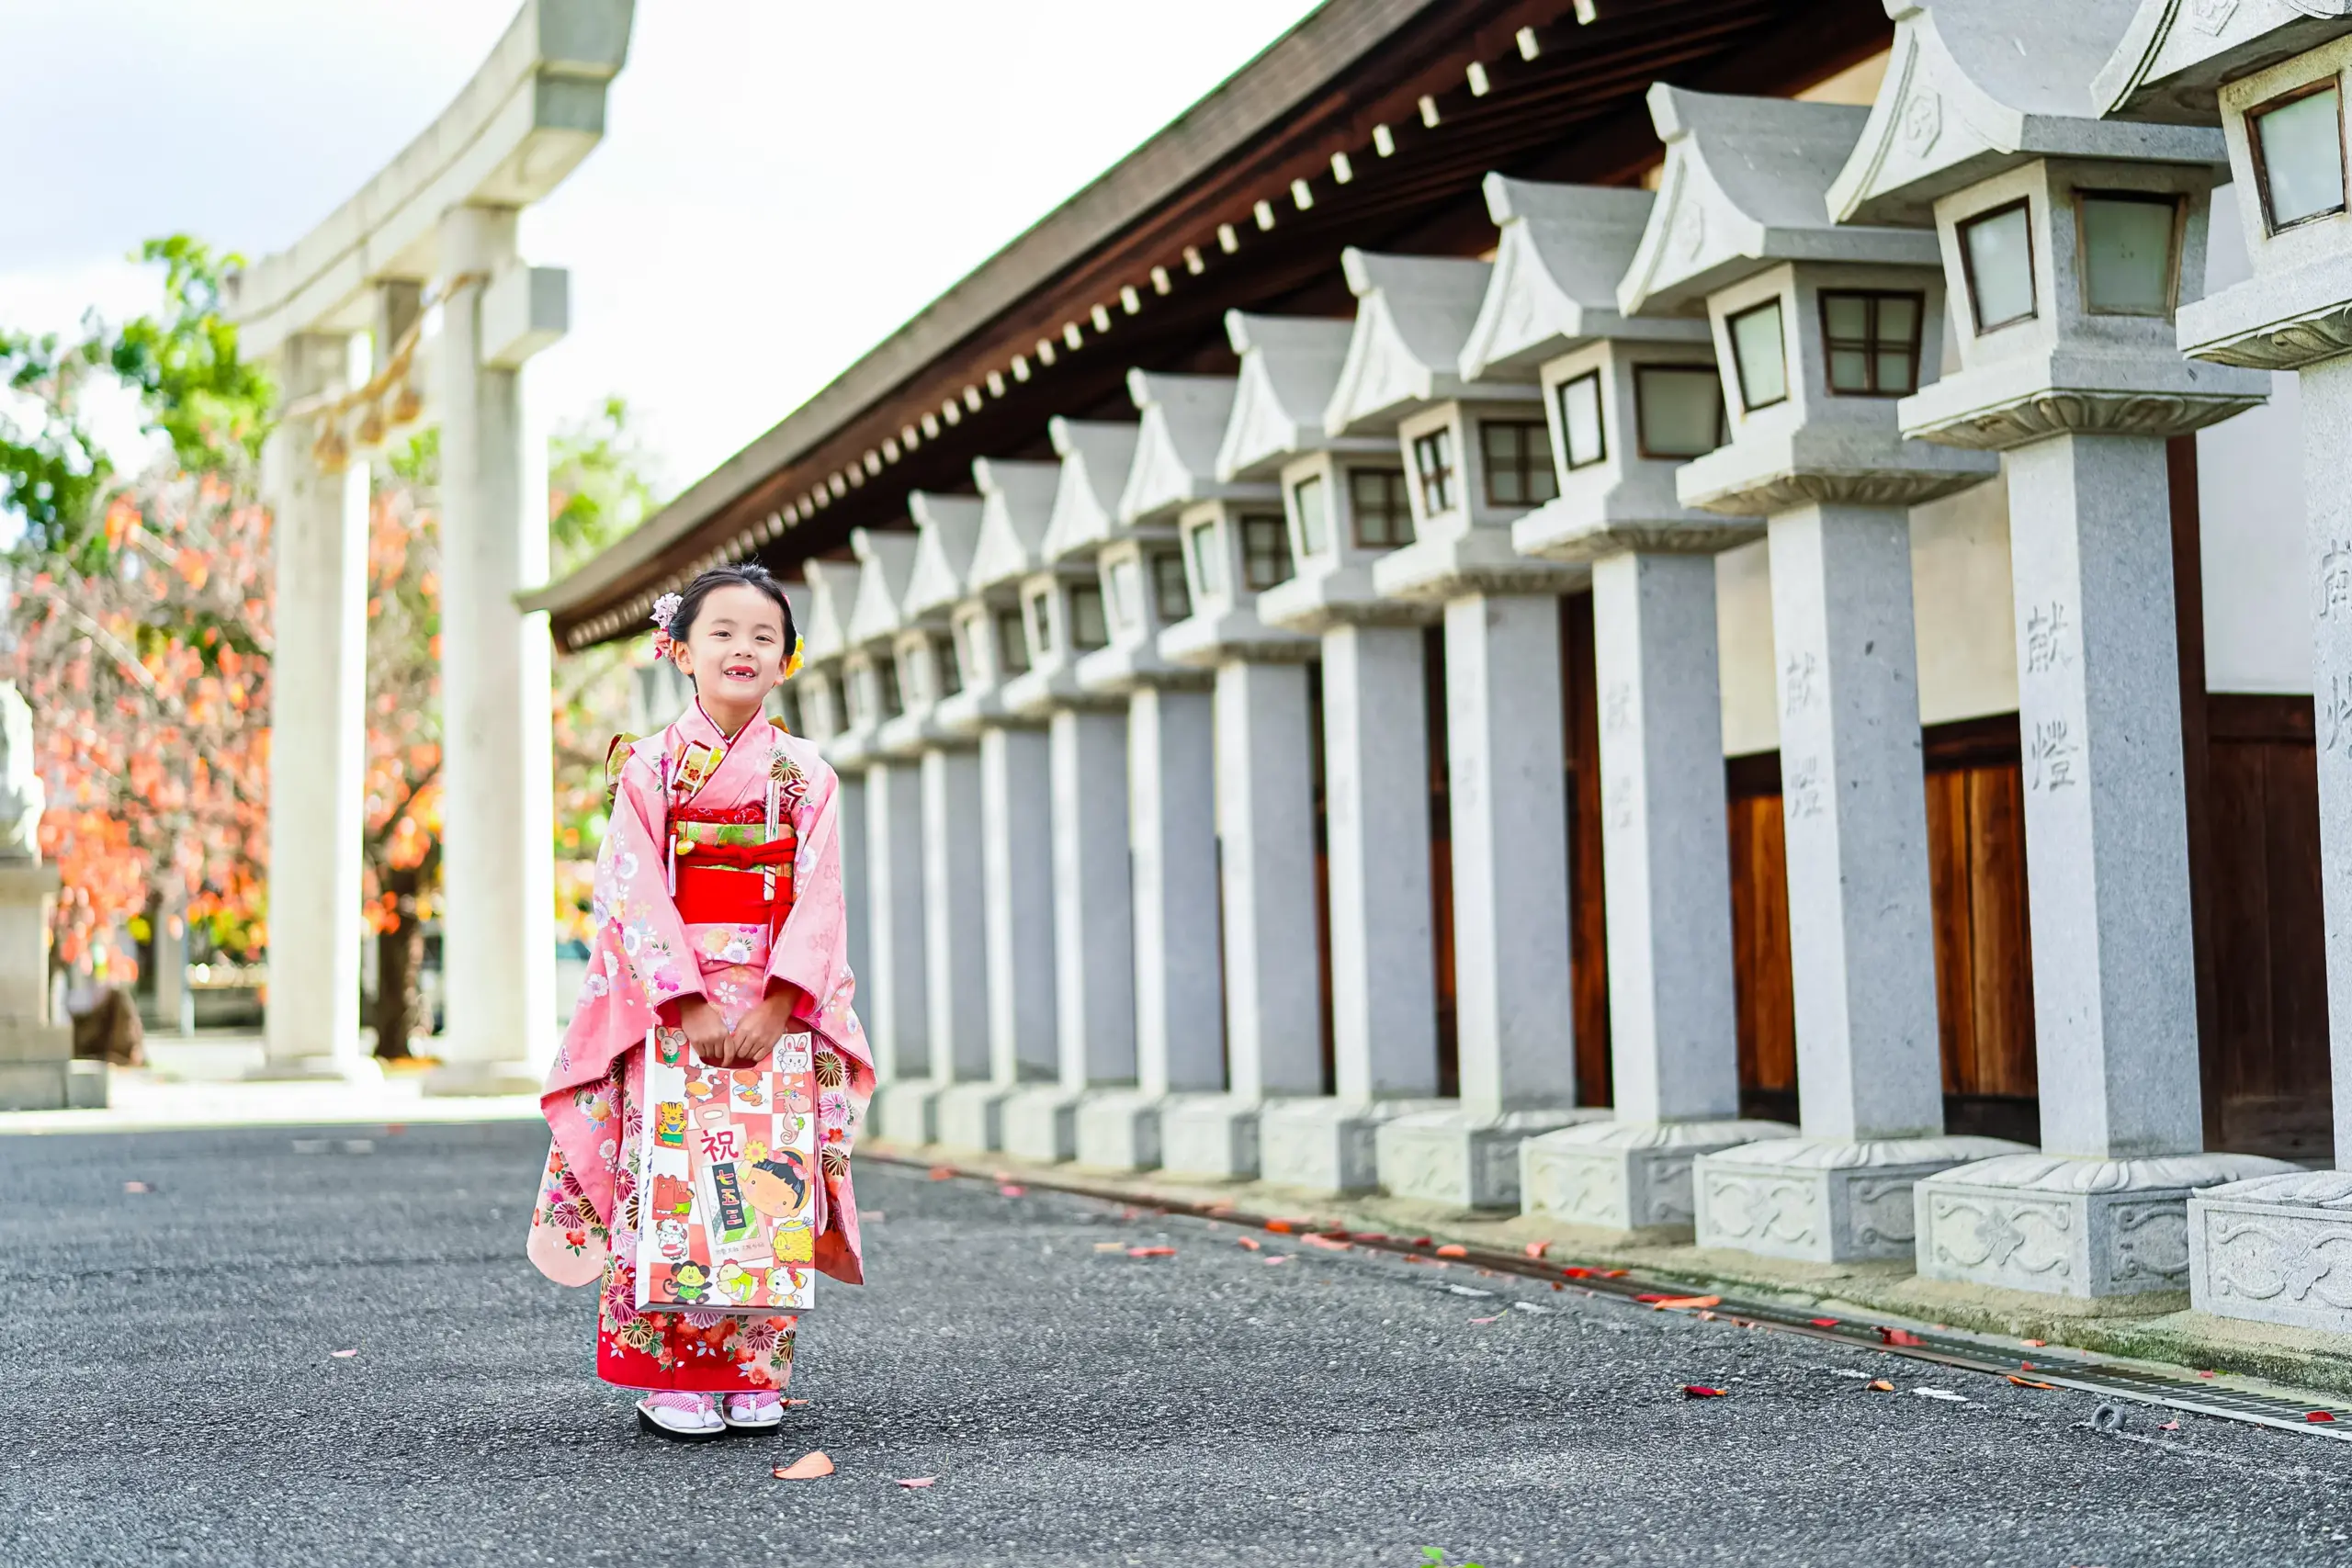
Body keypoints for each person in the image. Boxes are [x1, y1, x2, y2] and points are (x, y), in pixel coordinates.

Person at [525, 563, 873, 1440]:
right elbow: (632, 892)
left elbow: (819, 896)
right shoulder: (648, 768)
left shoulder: (804, 776)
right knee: (672, 1179)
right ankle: (672, 1373)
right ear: (679, 649)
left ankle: (753, 1368)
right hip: (671, 1007)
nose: (743, 649)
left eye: (764, 636)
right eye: (721, 632)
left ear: (787, 660)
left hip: (774, 1010)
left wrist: (778, 1004)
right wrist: (683, 1004)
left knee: (768, 1188)